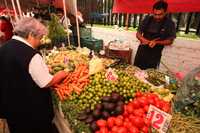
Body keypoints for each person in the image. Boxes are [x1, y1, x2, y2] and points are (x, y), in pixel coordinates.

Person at [0, 17, 68, 133]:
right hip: (31, 112)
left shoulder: (5, 47)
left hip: (11, 108)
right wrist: (61, 75)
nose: (41, 41)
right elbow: (45, 82)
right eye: (40, 37)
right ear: (31, 34)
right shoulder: (31, 54)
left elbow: (18, 70)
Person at [134, 1, 176, 69]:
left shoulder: (170, 24)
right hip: (142, 51)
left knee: (150, 73)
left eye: (160, 14)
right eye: (155, 14)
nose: (157, 17)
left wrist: (156, 42)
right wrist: (144, 40)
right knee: (136, 70)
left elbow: (170, 41)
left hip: (155, 54)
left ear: (165, 12)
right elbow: (138, 34)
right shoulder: (147, 19)